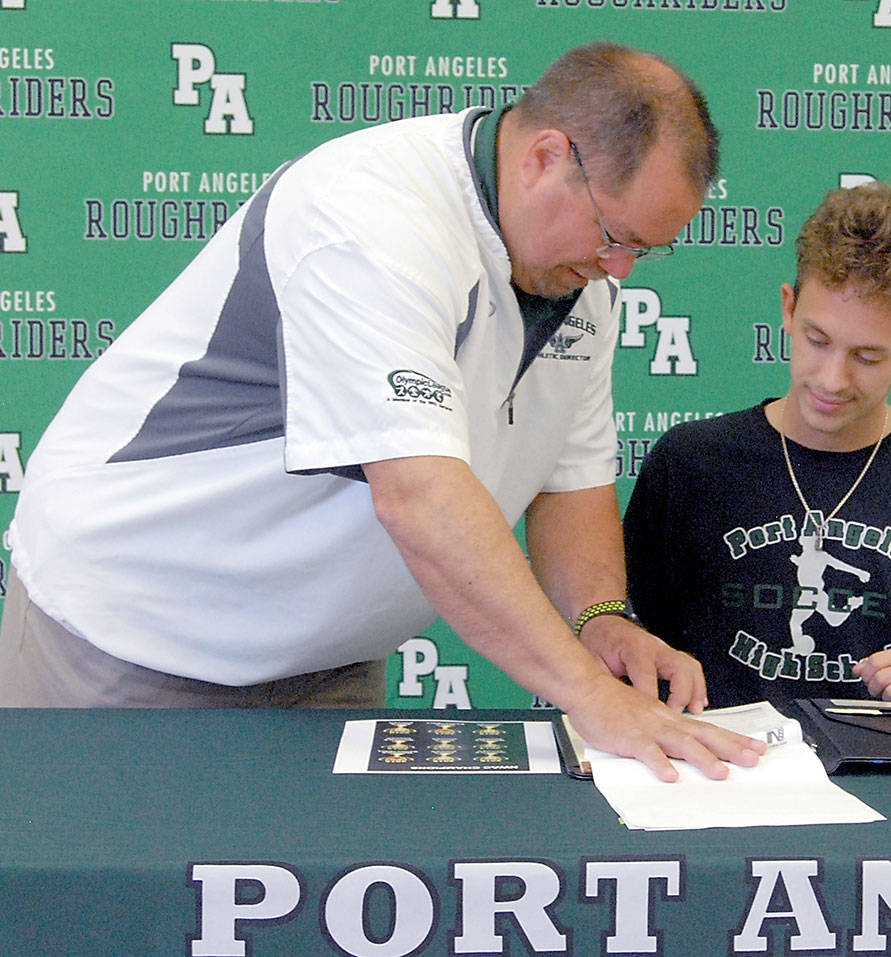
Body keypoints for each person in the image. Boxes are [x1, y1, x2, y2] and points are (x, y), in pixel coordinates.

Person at [0, 42, 765, 781]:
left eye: (644, 251)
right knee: (118, 907)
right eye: (614, 237)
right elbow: (420, 496)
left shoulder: (577, 280)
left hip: (325, 661)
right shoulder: (371, 217)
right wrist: (593, 698)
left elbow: (569, 476)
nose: (620, 270)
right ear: (544, 159)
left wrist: (601, 617)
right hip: (142, 634)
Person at [623, 181, 891, 709]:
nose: (832, 379)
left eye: (867, 357)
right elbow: (622, 644)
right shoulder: (690, 462)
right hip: (719, 774)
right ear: (788, 309)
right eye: (817, 340)